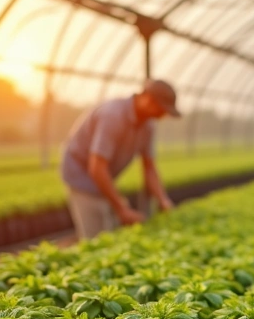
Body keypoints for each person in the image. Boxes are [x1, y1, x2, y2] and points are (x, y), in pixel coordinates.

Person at [60, 79, 181, 240]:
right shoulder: (113, 115)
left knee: (111, 229)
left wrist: (163, 200)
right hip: (81, 175)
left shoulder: (148, 125)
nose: (162, 115)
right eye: (161, 109)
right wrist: (121, 209)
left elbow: (149, 167)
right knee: (96, 235)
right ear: (147, 100)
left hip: (102, 174)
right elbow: (96, 167)